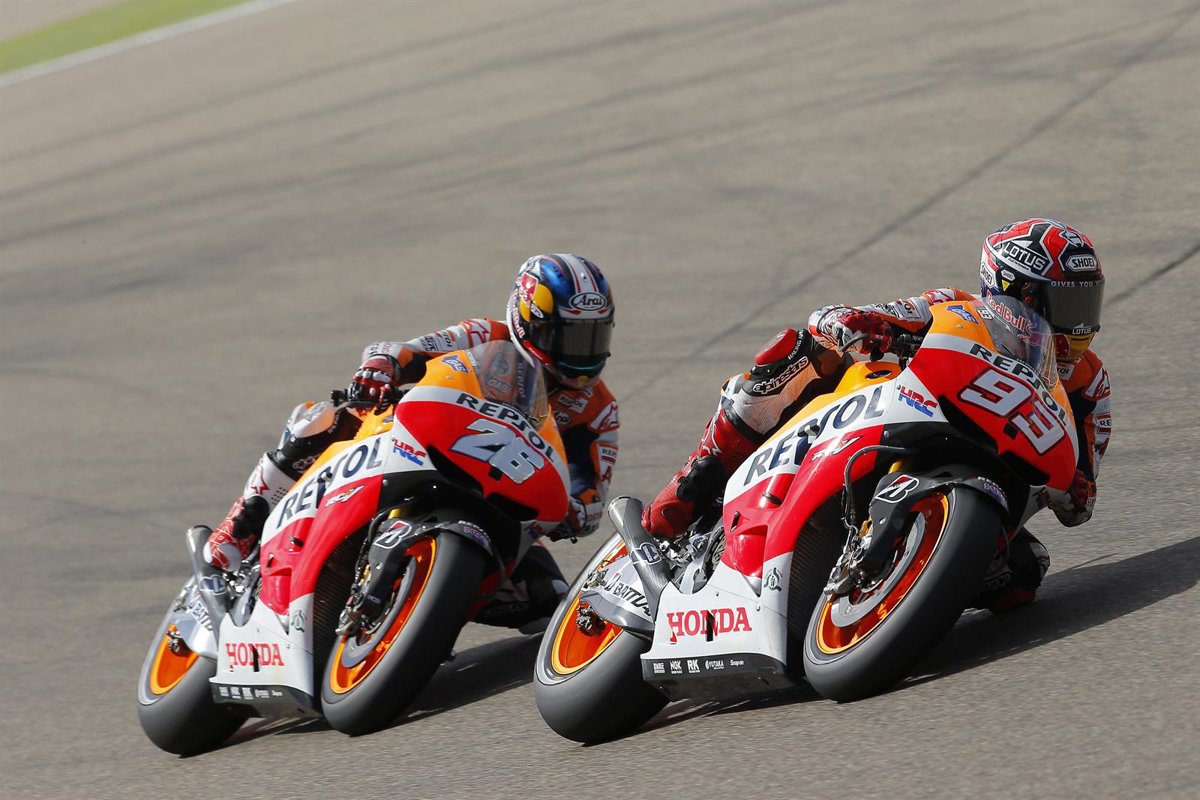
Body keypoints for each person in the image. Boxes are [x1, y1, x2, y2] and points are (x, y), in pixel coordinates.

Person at [643, 219, 1111, 613]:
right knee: (803, 355)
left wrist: (1077, 487)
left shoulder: (1090, 384)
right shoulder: (954, 305)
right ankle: (689, 486)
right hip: (907, 413)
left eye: (1088, 304)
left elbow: (1080, 502)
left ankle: (896, 597)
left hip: (989, 475)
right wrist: (855, 324)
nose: (1081, 324)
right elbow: (847, 317)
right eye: (1069, 305)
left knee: (1023, 575)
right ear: (1019, 292)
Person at [202, 254, 619, 629]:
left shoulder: (599, 408)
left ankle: (419, 618)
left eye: (593, 338)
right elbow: (404, 351)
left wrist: (579, 509)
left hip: (497, 499)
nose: (581, 354)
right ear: (527, 321)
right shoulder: (484, 334)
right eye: (568, 337)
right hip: (418, 444)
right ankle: (241, 524)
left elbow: (592, 491)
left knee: (551, 600)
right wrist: (380, 366)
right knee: (320, 419)